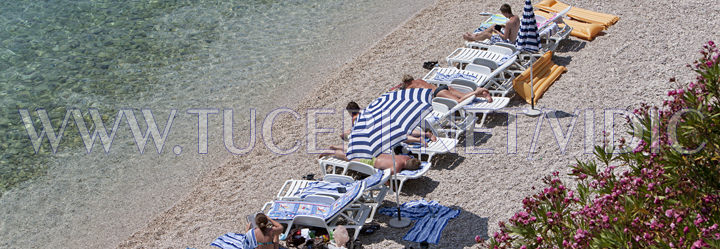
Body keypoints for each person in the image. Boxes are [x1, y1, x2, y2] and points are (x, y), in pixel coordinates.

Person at [319, 148, 422, 174]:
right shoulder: (398, 166)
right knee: (349, 157)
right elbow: (385, 176)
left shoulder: (406, 157)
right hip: (371, 162)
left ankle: (334, 148)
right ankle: (331, 152)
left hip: (375, 153)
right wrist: (392, 187)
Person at [400, 75, 493, 103]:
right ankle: (484, 94)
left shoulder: (409, 87)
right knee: (464, 96)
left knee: (458, 101)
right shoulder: (419, 79)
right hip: (443, 87)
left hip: (437, 92)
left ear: (406, 83)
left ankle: (477, 92)